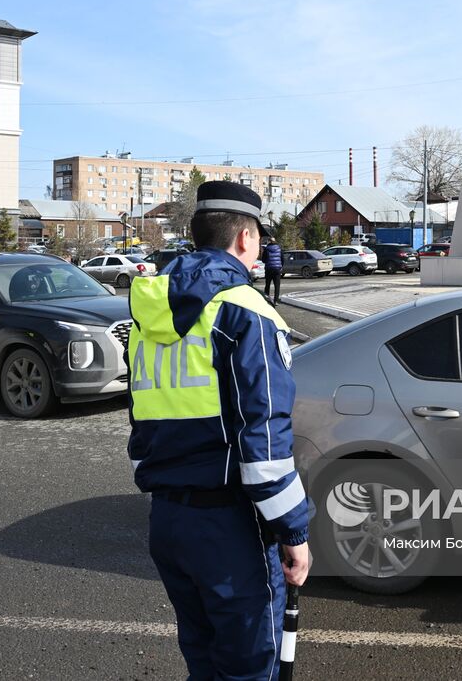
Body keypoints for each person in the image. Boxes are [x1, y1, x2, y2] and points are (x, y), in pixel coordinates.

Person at [127, 182, 312, 681]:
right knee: (249, 666)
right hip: (230, 527)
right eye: (259, 241)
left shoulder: (148, 313)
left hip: (168, 519)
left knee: (204, 658)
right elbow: (265, 439)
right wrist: (293, 531)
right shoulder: (246, 311)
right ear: (246, 238)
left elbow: (140, 420)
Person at [262, 234, 284, 305]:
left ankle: (267, 300)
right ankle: (276, 301)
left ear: (269, 241)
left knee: (267, 285)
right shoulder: (279, 248)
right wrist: (280, 266)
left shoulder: (266, 249)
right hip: (277, 269)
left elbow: (263, 260)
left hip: (269, 269)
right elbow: (282, 259)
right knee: (277, 285)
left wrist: (267, 261)